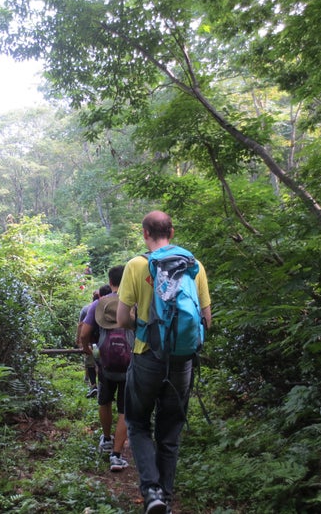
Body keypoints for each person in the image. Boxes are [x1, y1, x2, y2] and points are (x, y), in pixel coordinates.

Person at [116, 211, 212, 514]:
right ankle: (166, 500)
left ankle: (152, 492)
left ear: (145, 233)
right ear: (171, 231)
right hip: (182, 361)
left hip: (146, 357)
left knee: (138, 423)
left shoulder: (136, 265)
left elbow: (121, 319)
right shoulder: (194, 266)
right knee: (169, 431)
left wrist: (144, 327)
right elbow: (206, 320)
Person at [80, 265, 131, 472]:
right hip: (130, 365)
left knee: (105, 401)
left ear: (110, 282)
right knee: (125, 409)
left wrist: (88, 352)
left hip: (106, 365)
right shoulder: (133, 303)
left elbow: (84, 334)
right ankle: (117, 455)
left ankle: (107, 439)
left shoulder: (98, 304)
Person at [78, 284, 111, 398]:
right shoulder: (117, 305)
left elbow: (82, 327)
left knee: (91, 363)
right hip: (109, 343)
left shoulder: (88, 308)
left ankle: (94, 386)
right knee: (102, 365)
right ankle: (105, 387)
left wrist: (83, 344)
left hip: (92, 342)